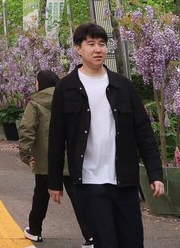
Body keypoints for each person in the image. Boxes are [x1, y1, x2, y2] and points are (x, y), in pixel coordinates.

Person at [48, 23, 163, 248]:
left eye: (102, 44)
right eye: (91, 44)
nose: (98, 49)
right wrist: (54, 181)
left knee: (132, 241)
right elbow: (56, 136)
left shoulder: (123, 86)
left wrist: (155, 173)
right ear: (78, 49)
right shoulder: (66, 87)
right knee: (105, 242)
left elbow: (144, 132)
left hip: (123, 180)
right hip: (89, 182)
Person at [17, 69, 67, 244]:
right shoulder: (68, 99)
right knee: (78, 196)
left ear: (42, 83)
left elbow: (27, 129)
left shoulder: (35, 102)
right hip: (70, 158)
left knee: (41, 194)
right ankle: (90, 235)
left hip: (45, 158)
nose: (35, 84)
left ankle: (35, 230)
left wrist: (25, 154)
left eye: (36, 81)